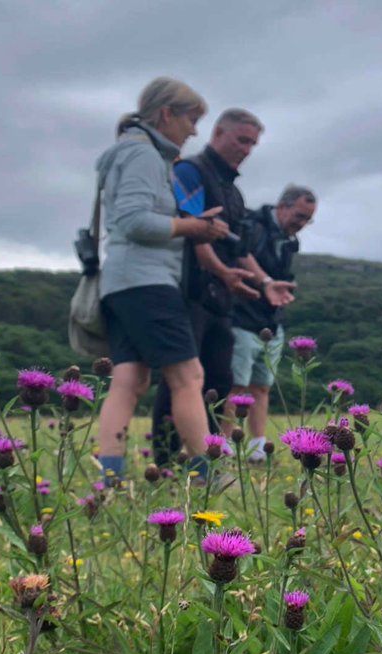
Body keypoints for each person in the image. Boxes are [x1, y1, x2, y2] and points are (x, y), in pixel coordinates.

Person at [94, 77, 230, 484]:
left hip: (120, 282)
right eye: (191, 120)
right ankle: (207, 477)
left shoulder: (125, 152)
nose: (194, 131)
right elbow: (134, 220)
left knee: (129, 380)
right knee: (189, 377)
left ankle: (109, 481)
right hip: (147, 281)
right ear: (166, 114)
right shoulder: (144, 156)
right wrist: (194, 227)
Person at [151, 108, 293, 466]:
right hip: (188, 291)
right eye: (241, 140)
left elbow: (241, 251)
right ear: (218, 132)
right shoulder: (190, 170)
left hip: (221, 300)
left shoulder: (235, 192)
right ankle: (166, 462)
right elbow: (195, 231)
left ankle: (208, 458)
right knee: (180, 378)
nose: (247, 149)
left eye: (253, 144)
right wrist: (221, 271)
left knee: (220, 379)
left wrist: (265, 282)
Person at [228, 184, 317, 462]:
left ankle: (257, 450)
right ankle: (225, 446)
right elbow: (239, 254)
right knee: (236, 385)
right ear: (282, 207)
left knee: (262, 385)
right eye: (299, 216)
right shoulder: (252, 226)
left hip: (270, 320)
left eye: (308, 220)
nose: (302, 224)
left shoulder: (289, 241)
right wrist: (266, 282)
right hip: (241, 316)